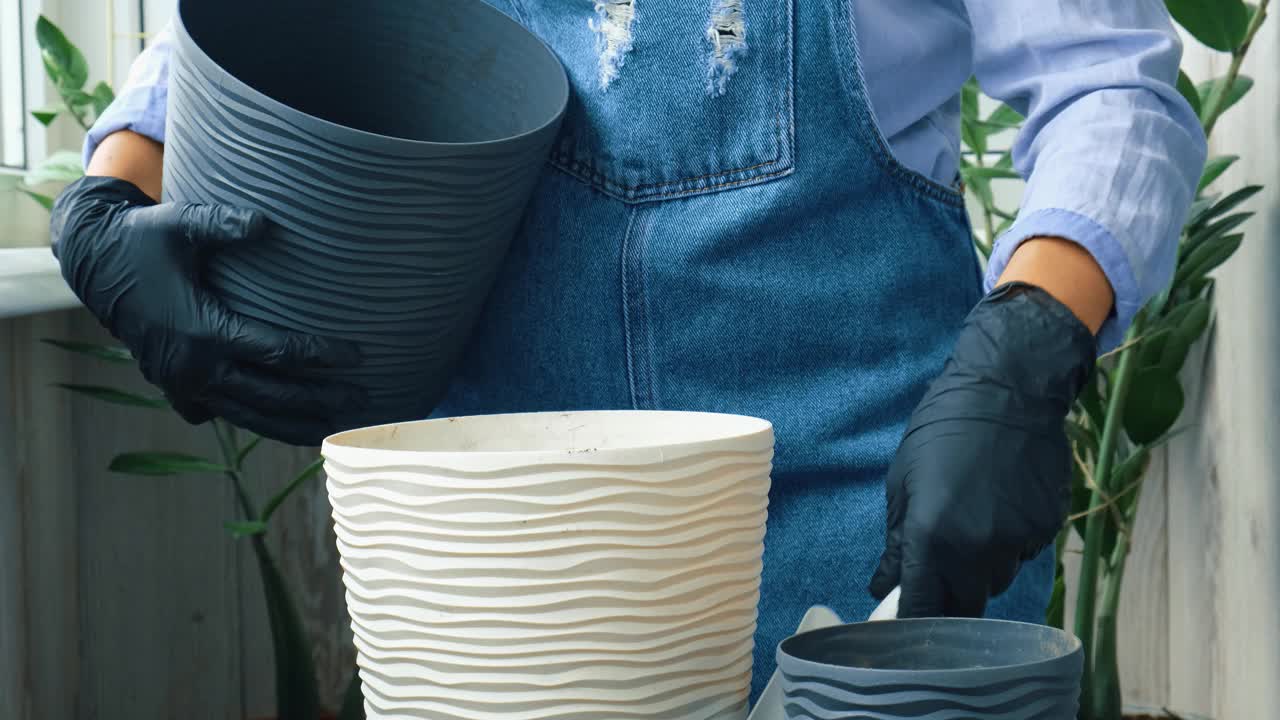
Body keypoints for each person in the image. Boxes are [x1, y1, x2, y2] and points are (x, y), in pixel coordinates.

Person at [50, 0, 1205, 701]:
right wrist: (110, 194)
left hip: (884, 533)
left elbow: (1103, 79)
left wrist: (1029, 337)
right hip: (504, 563)